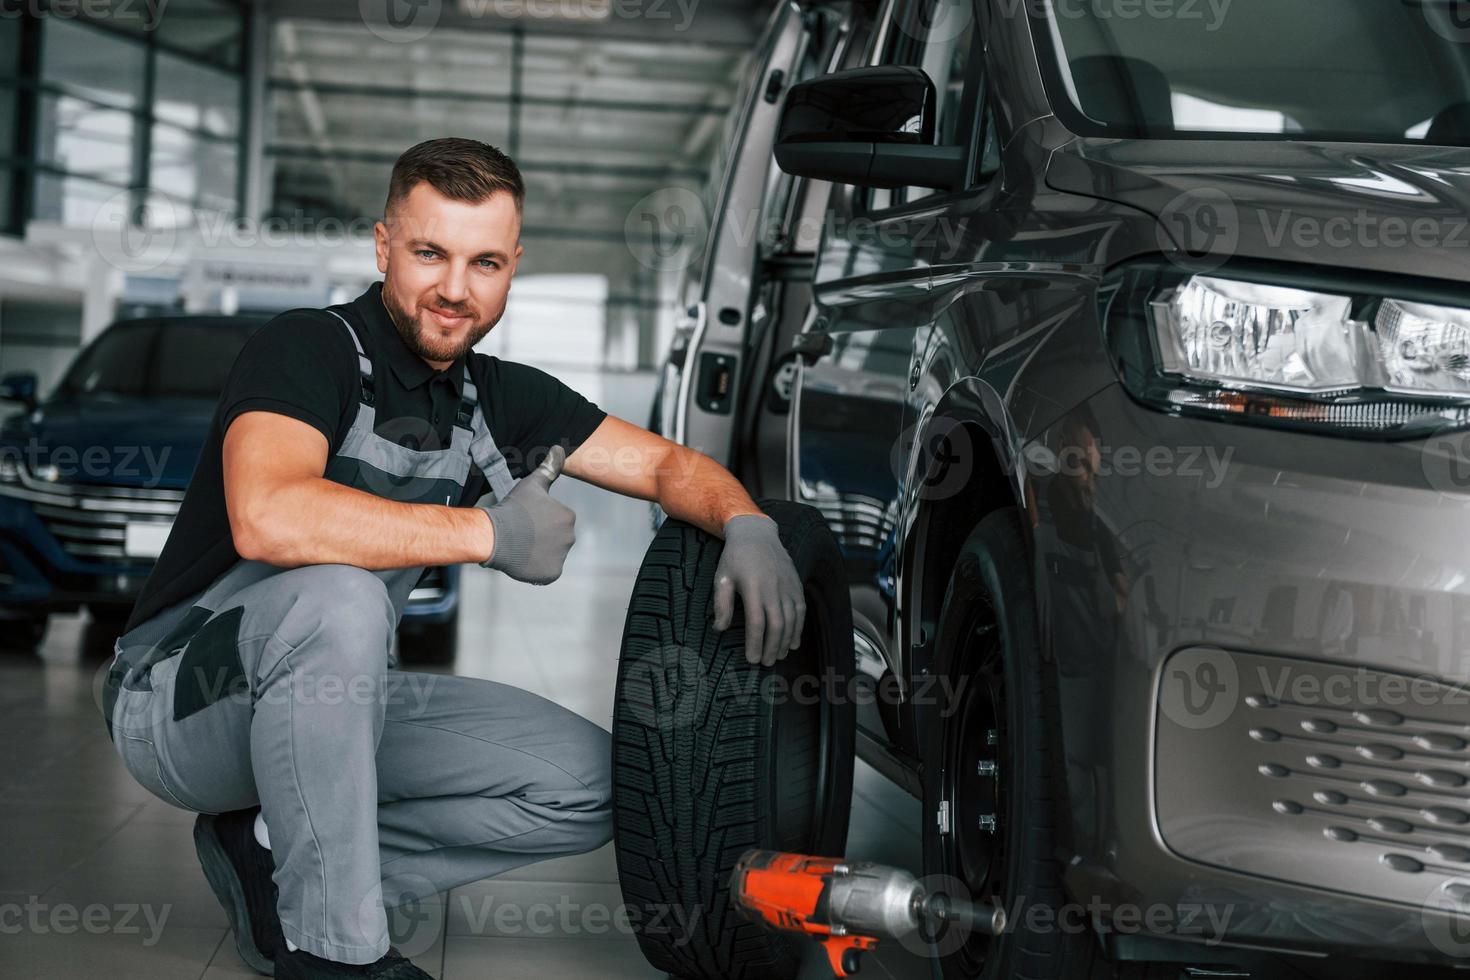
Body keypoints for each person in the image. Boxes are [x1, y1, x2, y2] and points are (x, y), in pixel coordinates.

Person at [101, 137, 806, 980]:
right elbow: (269, 517)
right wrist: (491, 536)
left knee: (592, 785)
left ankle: (272, 853)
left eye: (486, 263)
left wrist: (749, 523)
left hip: (329, 697)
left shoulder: (500, 400)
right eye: (430, 253)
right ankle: (335, 954)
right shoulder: (307, 349)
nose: (455, 290)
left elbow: (666, 467)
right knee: (340, 598)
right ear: (383, 245)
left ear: (514, 266)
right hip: (180, 699)